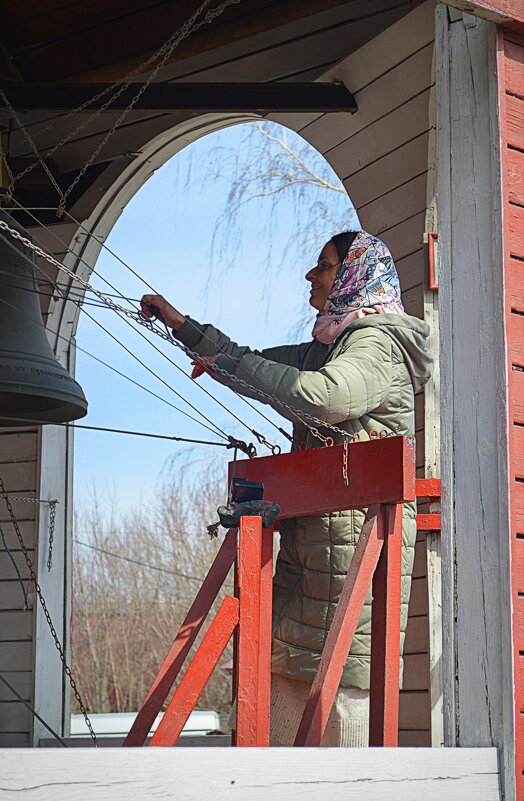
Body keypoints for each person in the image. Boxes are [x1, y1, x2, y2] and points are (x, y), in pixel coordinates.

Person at [140, 229, 434, 746]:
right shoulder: (331, 345)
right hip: (316, 559)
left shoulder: (376, 342)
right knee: (281, 684)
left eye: (323, 265)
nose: (311, 275)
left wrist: (236, 364)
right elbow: (250, 363)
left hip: (349, 560)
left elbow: (323, 398)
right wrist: (184, 328)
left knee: (336, 710)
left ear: (353, 276)